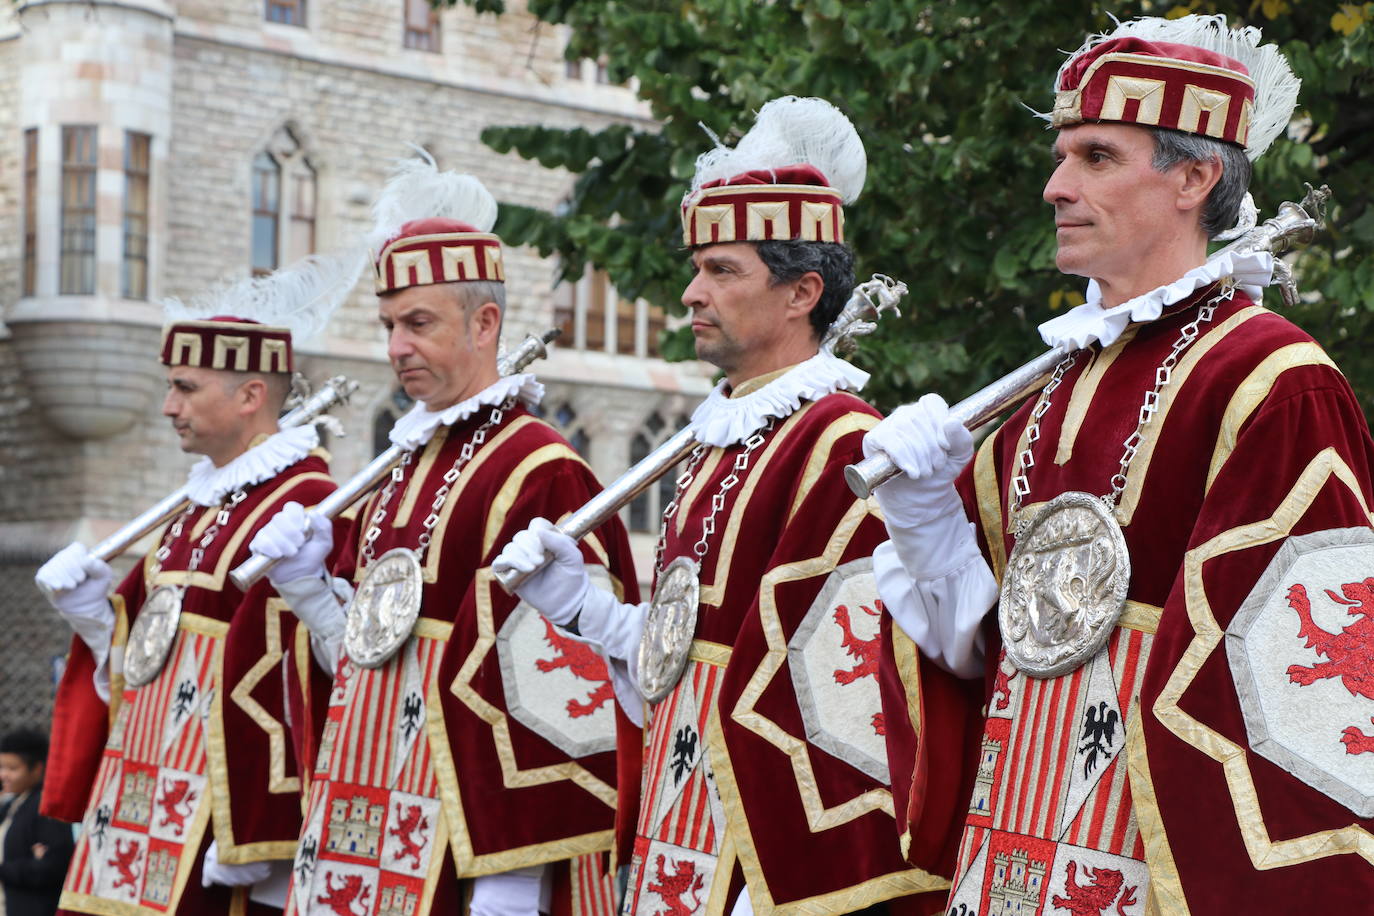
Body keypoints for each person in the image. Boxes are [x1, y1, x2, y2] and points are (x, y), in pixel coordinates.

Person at [867, 14, 1374, 912]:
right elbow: (979, 654)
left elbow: (1297, 712)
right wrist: (925, 520)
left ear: (1195, 177)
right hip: (1001, 858)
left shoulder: (1272, 382)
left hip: (1150, 873)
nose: (1057, 186)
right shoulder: (1045, 395)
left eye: (1097, 157)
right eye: (1061, 156)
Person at [496, 97, 973, 916]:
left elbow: (850, 703)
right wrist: (584, 607)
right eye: (697, 267)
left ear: (802, 293)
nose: (690, 293)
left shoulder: (843, 446)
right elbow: (686, 663)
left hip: (767, 874)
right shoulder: (716, 441)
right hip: (682, 845)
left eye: (722, 271)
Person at [247, 160, 639, 916]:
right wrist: (310, 590)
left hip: (472, 860)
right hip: (364, 822)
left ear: (484, 323)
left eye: (418, 323)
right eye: (388, 325)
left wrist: (511, 886)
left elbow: (570, 704)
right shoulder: (401, 467)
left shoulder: (542, 471)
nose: (396, 347)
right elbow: (369, 663)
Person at [34, 251, 359, 915]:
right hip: (137, 802)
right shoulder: (194, 507)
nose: (166, 406)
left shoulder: (311, 505)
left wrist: (263, 823)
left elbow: (326, 667)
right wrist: (95, 617)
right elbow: (148, 663)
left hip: (221, 821)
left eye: (185, 388)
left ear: (249, 396)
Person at [0, 728, 75, 916]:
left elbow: (52, 867)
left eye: (13, 768)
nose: (4, 775)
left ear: (37, 768)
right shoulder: (15, 804)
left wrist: (4, 870)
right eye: (2, 767)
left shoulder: (45, 808)